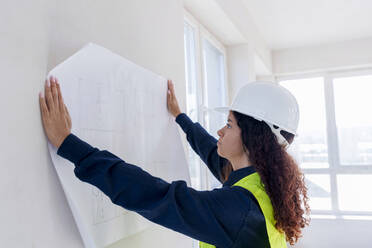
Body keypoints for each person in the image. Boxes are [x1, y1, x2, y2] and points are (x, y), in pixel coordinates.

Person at [39, 76, 310, 248]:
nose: (220, 131)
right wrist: (180, 117)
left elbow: (156, 195)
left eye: (228, 124)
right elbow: (212, 152)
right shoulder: (262, 183)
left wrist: (68, 144)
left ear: (253, 139)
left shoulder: (237, 209)